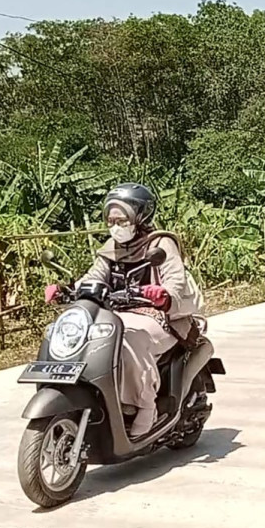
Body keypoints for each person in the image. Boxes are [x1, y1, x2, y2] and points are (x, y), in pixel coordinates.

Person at [44, 183, 203, 438]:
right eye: (110, 219)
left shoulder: (161, 243)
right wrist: (66, 290)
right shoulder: (112, 247)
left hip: (158, 317)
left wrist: (162, 295)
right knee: (83, 338)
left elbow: (175, 281)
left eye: (122, 219)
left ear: (140, 216)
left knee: (128, 340)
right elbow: (93, 277)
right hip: (116, 315)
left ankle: (145, 408)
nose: (115, 225)